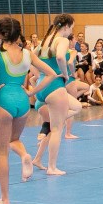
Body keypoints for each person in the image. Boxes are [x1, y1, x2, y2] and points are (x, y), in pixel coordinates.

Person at [0, 17, 57, 204]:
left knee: (2, 152)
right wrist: (33, 92)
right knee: (14, 139)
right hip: (22, 101)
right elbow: (51, 74)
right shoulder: (27, 53)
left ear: (0, 34)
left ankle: (5, 198)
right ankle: (25, 155)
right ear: (18, 34)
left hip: (4, 100)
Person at [30, 14, 76, 176]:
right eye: (71, 28)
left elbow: (31, 58)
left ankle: (38, 159)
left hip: (42, 86)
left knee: (75, 108)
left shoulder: (45, 41)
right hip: (55, 86)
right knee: (57, 129)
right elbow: (60, 57)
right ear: (66, 27)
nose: (71, 31)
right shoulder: (62, 40)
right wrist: (65, 74)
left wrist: (38, 75)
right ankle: (52, 167)